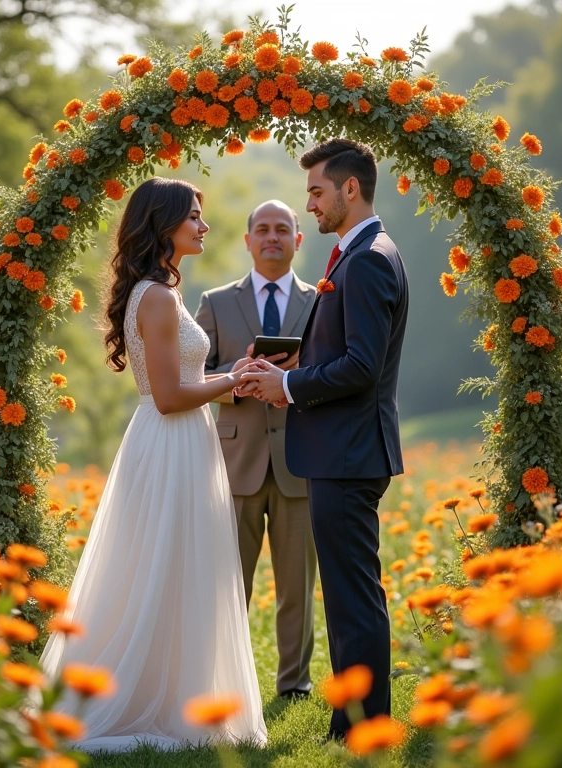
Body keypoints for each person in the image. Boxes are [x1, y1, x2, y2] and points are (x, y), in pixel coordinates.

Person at [40, 177, 267, 752]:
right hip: (170, 440)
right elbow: (169, 396)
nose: (204, 226)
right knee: (169, 564)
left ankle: (172, 691)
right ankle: (154, 701)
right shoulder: (160, 297)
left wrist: (229, 380)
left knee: (172, 568)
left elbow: (184, 384)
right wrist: (232, 380)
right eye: (194, 216)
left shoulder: (156, 291)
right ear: (163, 222)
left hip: (173, 439)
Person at [238, 139, 409, 740]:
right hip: (345, 449)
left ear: (350, 189)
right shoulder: (359, 252)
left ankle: (362, 726)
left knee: (353, 598)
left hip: (348, 452)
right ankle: (354, 720)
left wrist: (287, 383)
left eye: (315, 191)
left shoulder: (365, 259)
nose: (309, 203)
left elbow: (362, 366)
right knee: (346, 595)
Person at [195, 200, 317, 701]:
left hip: (302, 462)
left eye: (282, 229)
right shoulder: (217, 301)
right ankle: (224, 683)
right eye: (263, 229)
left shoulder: (322, 302)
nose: (272, 237)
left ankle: (295, 687)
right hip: (234, 465)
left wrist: (293, 378)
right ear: (247, 241)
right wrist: (238, 381)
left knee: (297, 591)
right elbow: (190, 377)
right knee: (228, 587)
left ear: (297, 240)